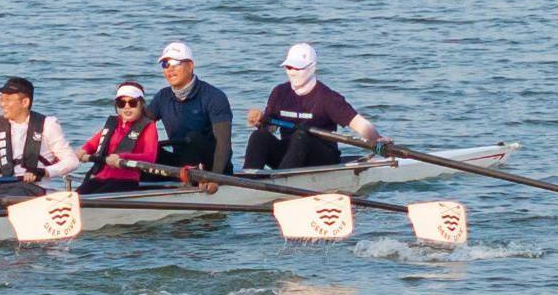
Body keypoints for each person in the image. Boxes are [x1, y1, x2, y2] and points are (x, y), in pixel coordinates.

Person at [244, 42, 380, 171]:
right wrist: (260, 121)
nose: (292, 72)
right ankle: (247, 180)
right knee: (258, 137)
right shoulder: (279, 93)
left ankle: (281, 179)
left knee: (302, 135)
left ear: (312, 67)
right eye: (289, 67)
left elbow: (359, 124)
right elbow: (270, 128)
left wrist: (377, 140)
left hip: (322, 158)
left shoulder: (327, 97)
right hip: (289, 155)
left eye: (298, 68)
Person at [148, 41, 234, 185]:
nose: (170, 69)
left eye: (176, 63)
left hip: (213, 167)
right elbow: (140, 124)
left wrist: (215, 178)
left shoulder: (214, 97)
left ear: (190, 65)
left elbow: (224, 144)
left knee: (191, 137)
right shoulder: (162, 97)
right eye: (165, 64)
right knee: (150, 150)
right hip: (181, 164)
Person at [0, 77, 77, 187]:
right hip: (3, 190)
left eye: (8, 100)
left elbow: (71, 161)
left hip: (36, 191)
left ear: (25, 102)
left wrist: (45, 171)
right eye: (1, 99)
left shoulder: (48, 125)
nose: (2, 104)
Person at [79, 80, 162, 191]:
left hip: (126, 180)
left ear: (141, 104)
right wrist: (82, 151)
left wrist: (122, 157)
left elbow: (149, 157)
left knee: (93, 197)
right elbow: (92, 144)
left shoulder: (148, 127)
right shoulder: (113, 124)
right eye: (121, 103)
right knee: (76, 196)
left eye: (132, 103)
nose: (127, 107)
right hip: (101, 177)